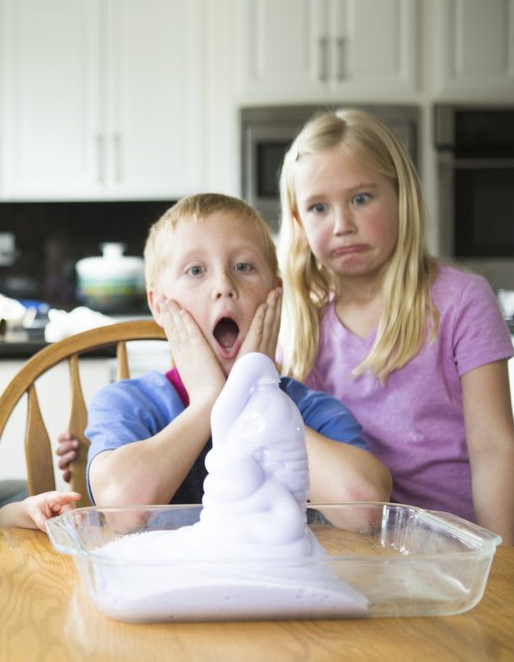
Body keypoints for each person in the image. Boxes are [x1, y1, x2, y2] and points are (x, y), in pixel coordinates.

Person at [277, 108, 514, 548]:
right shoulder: (300, 322)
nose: (343, 225)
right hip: (356, 551)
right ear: (299, 221)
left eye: (361, 198)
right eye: (319, 207)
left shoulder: (462, 300)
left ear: (403, 195)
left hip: (462, 549)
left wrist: (501, 556)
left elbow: (494, 448)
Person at [59, 193, 392, 508]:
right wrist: (208, 401)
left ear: (275, 294)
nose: (224, 286)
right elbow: (121, 503)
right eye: (196, 270)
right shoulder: (127, 403)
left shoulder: (309, 409)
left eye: (243, 267)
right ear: (159, 305)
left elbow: (364, 505)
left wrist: (255, 397)